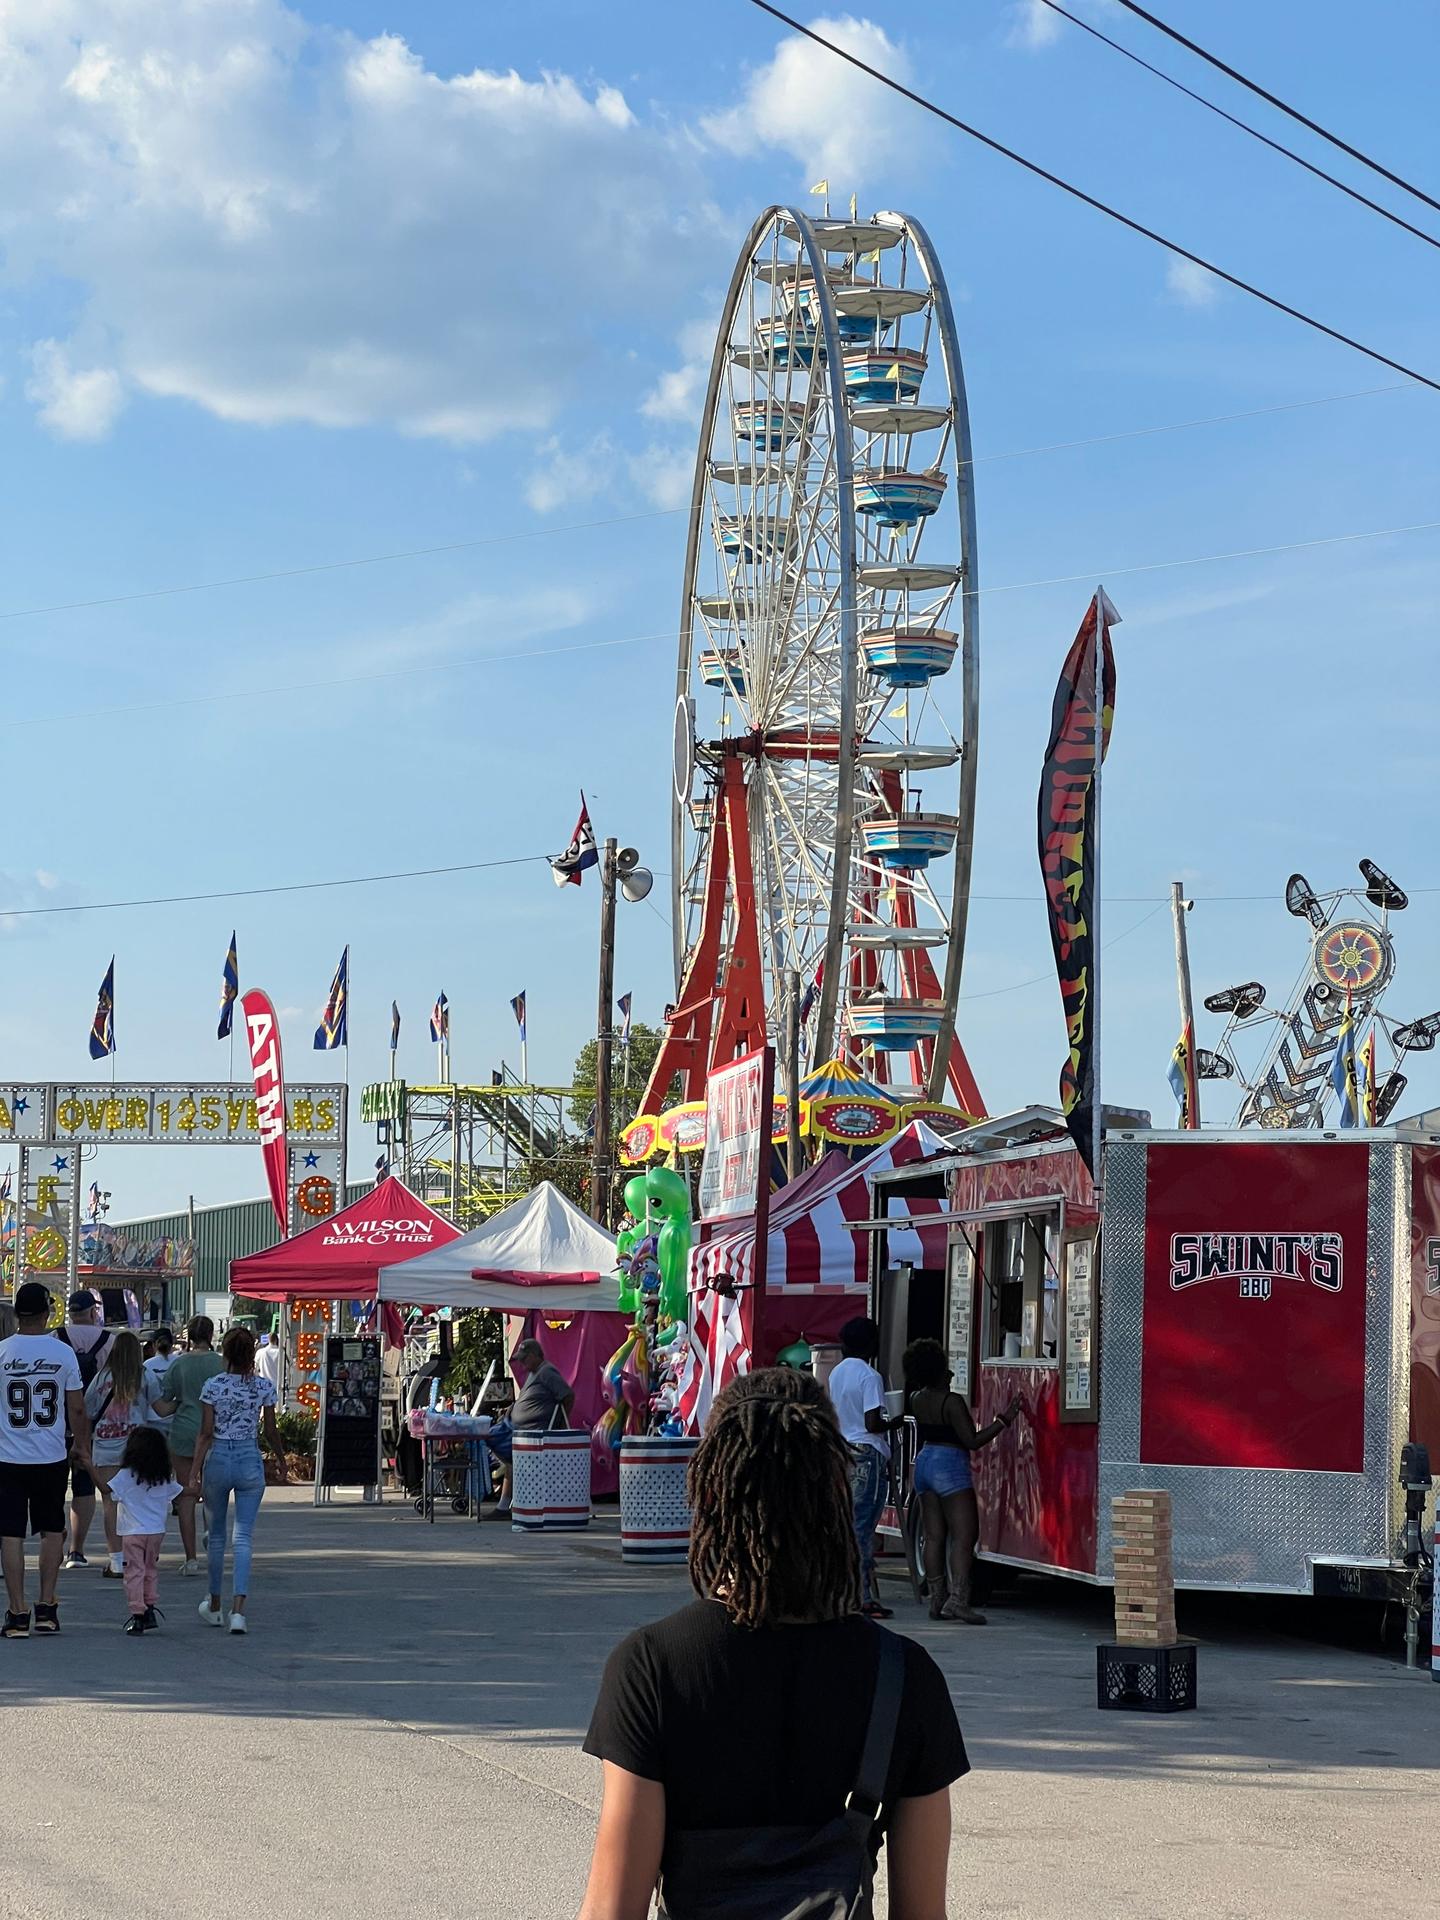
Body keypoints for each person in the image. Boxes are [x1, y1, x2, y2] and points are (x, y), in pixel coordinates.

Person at [580, 1368, 966, 1920]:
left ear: (712, 1492)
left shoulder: (650, 1669)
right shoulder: (904, 1675)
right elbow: (923, 1913)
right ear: (836, 1491)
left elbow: (610, 1912)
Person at [903, 1337, 1022, 1625]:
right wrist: (1004, 1420)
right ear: (940, 1371)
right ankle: (958, 1601)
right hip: (950, 1465)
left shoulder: (916, 1398)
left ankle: (937, 1598)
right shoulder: (952, 1402)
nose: (952, 1373)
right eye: (947, 1368)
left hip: (924, 1461)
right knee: (964, 1536)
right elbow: (972, 1441)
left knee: (933, 1536)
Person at [0, 1282, 93, 1637]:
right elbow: (77, 1406)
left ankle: (16, 1611)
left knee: (11, 1533)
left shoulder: (3, 1352)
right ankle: (47, 1606)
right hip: (50, 1455)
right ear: (46, 1312)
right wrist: (81, 1445)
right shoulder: (62, 1353)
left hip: (8, 1456)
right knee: (51, 1530)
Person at [188, 1326, 287, 1634]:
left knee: (216, 1537)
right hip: (248, 1458)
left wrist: (194, 1470)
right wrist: (282, 1459)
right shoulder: (262, 1387)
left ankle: (215, 1604)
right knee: (243, 1537)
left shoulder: (213, 1386)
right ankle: (239, 1611)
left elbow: (205, 1433)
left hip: (218, 1457)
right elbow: (270, 1430)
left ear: (226, 1354)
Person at [826, 1316, 904, 1621]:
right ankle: (863, 1596)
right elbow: (873, 1423)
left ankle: (845, 1591)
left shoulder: (837, 1373)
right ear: (871, 1344)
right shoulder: (870, 1376)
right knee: (863, 1528)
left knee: (847, 1524)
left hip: (843, 1450)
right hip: (867, 1454)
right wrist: (895, 1421)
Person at [86, 1330, 158, 1580]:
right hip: (137, 1445)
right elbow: (161, 1407)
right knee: (138, 1503)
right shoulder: (145, 1375)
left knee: (110, 1503)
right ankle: (140, 1557)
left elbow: (86, 1409)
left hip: (106, 1444)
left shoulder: (102, 1377)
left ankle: (117, 1561)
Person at [153, 1315, 222, 1575]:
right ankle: (211, 1531)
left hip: (183, 1430)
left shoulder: (179, 1365)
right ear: (211, 1334)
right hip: (214, 1430)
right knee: (213, 1489)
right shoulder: (221, 1363)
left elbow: (166, 1400)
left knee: (186, 1496)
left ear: (190, 1337)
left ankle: (191, 1558)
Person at [486, 1337, 574, 1519]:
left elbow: (567, 1395)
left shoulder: (547, 1371)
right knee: (488, 1436)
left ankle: (504, 1506)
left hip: (533, 1432)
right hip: (516, 1427)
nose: (522, 1362)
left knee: (502, 1448)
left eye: (524, 1358)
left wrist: (560, 1423)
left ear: (535, 1356)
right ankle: (504, 1505)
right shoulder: (534, 1372)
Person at [57, 1288, 113, 1570]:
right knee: (83, 1488)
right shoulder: (110, 1341)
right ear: (93, 1312)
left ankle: (53, 1539)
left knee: (52, 1487)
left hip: (57, 1426)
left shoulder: (56, 1337)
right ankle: (76, 1551)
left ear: (70, 1312)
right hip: (94, 1426)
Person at [108, 1425, 182, 1636]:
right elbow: (180, 1493)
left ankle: (137, 1613)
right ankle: (149, 1607)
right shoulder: (163, 1476)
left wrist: (88, 1464)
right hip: (156, 1531)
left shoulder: (126, 1475)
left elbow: (107, 1489)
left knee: (134, 1572)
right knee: (150, 1570)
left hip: (133, 1531)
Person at [141, 1326, 175, 1436]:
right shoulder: (180, 1361)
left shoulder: (146, 1365)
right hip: (174, 1416)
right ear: (172, 1343)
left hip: (152, 1417)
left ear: (154, 1345)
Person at [255, 1326, 283, 1391]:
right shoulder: (281, 1353)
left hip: (263, 1385)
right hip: (277, 1385)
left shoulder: (260, 1352)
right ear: (276, 1340)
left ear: (268, 1340)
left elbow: (255, 1369)